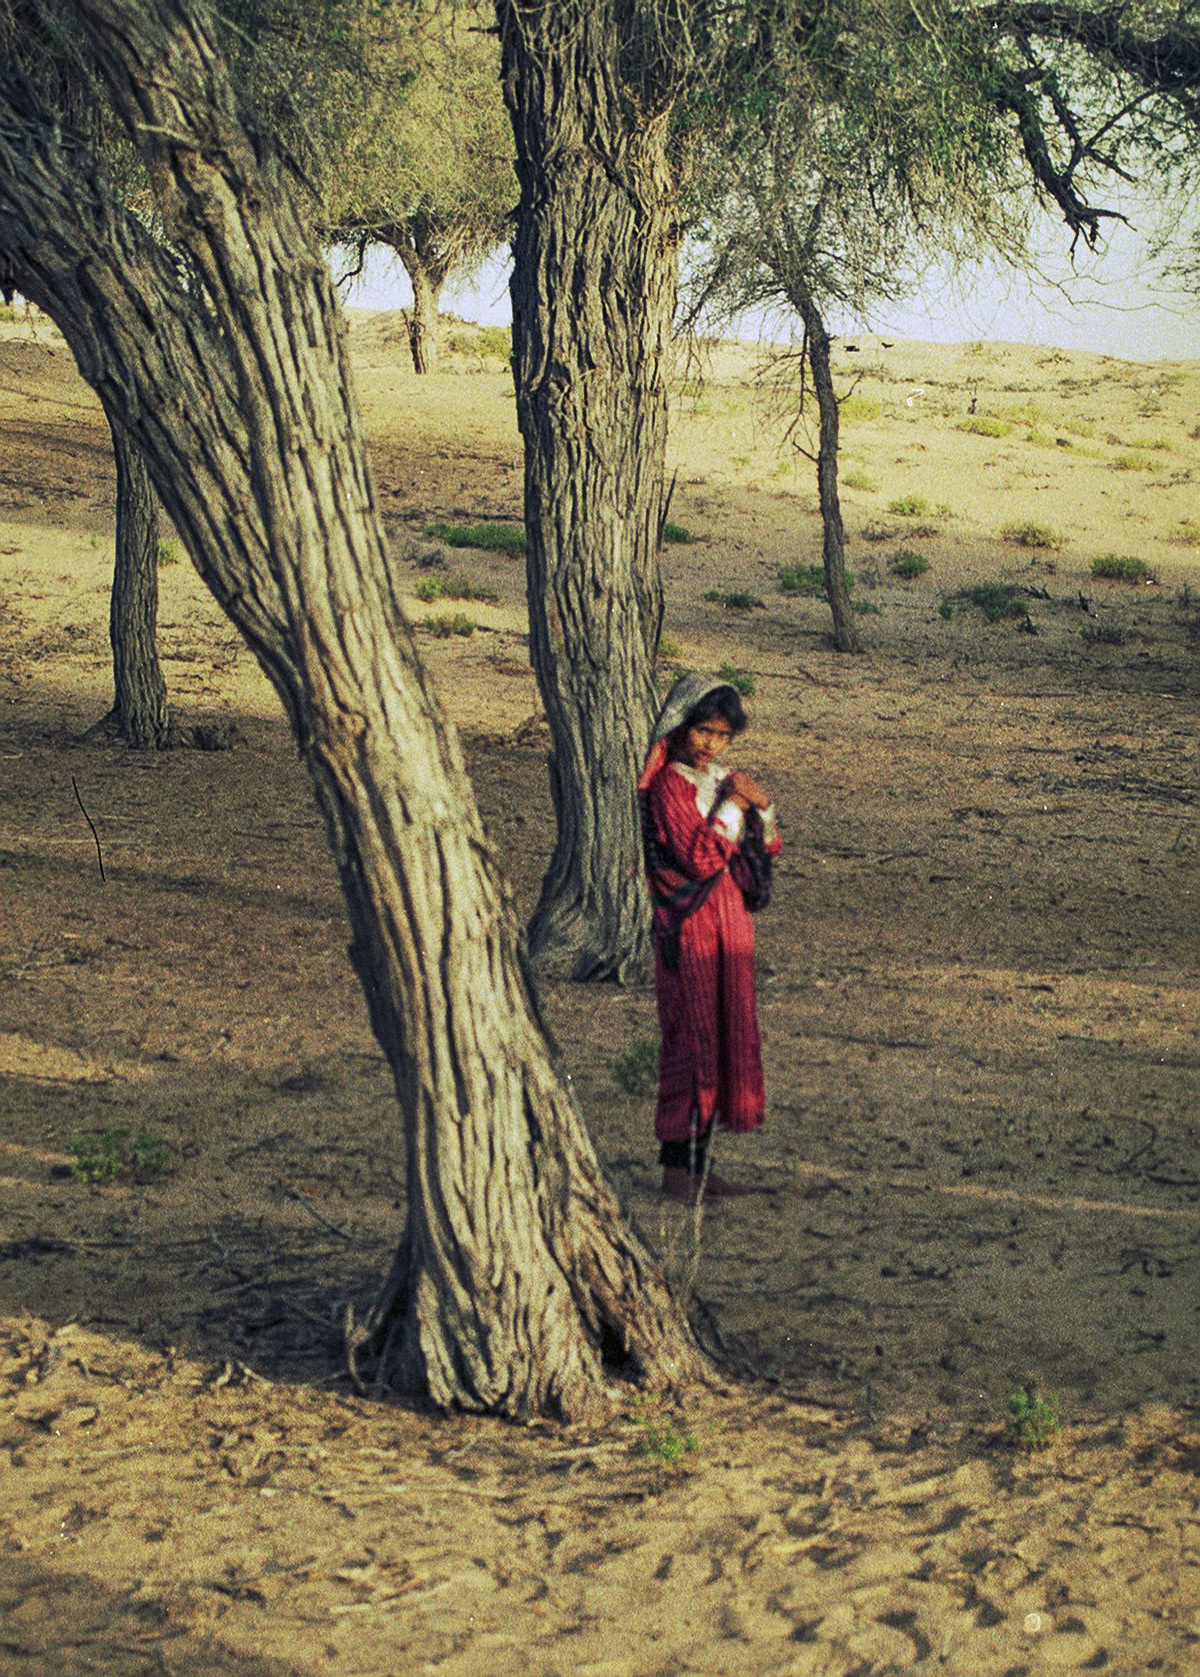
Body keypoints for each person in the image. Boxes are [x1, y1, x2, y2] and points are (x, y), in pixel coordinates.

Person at [638, 673, 782, 1203]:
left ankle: (702, 1168)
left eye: (722, 735)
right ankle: (677, 1172)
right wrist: (736, 805)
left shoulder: (723, 780)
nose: (710, 744)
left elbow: (767, 848)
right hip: (691, 928)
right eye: (703, 730)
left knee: (722, 1038)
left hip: (731, 925)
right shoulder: (668, 787)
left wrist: (763, 807)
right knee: (691, 1040)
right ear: (680, 726)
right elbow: (700, 857)